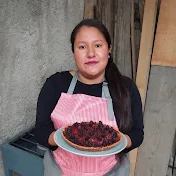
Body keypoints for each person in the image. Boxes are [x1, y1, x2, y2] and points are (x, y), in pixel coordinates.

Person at [35, 19, 144, 176]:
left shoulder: (126, 88)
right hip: (59, 170)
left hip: (112, 171)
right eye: (82, 47)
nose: (91, 53)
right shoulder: (55, 84)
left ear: (109, 49)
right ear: (74, 51)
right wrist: (63, 139)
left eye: (98, 45)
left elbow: (137, 133)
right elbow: (40, 130)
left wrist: (117, 142)